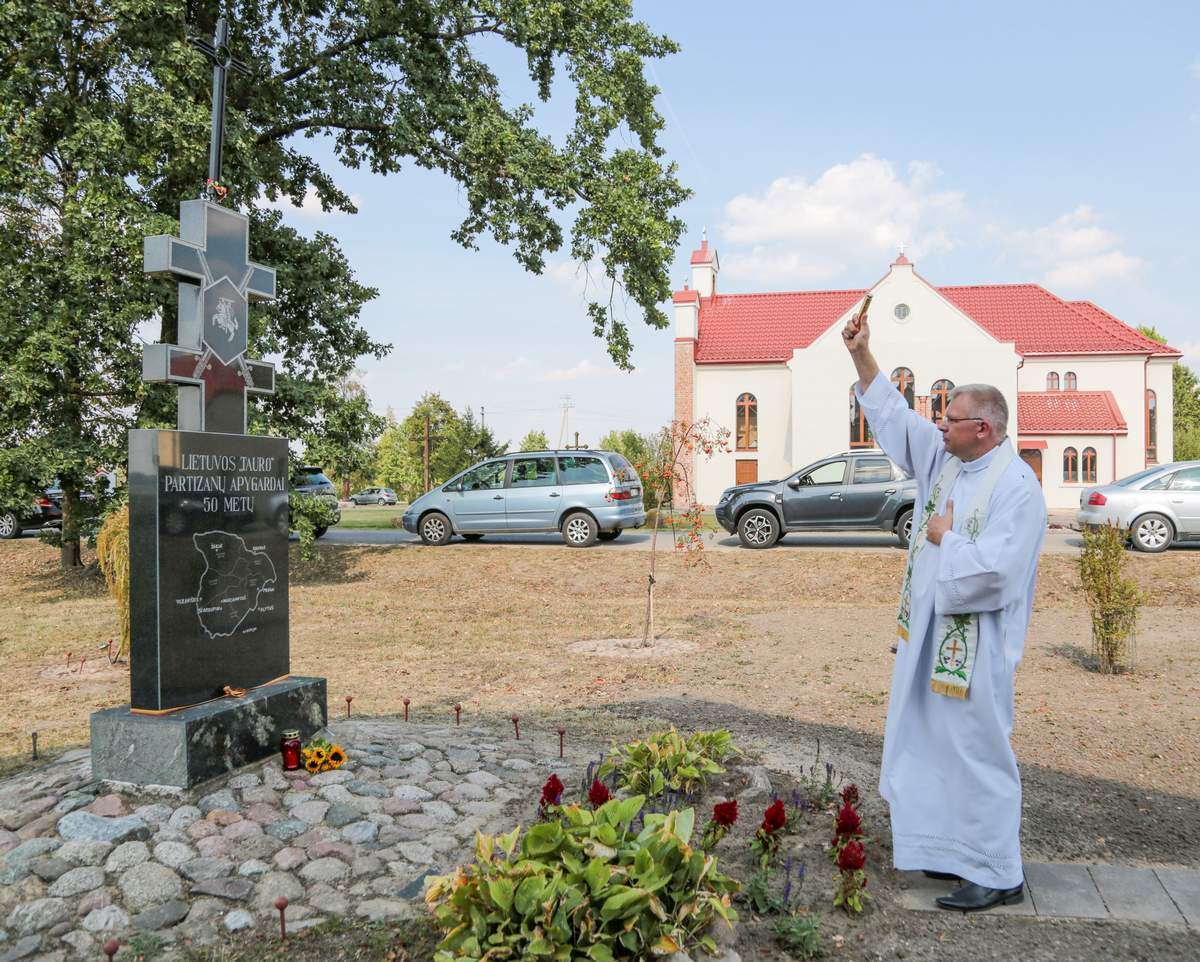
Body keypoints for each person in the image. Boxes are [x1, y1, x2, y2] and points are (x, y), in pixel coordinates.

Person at [842, 302, 1047, 912]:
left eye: (950, 418)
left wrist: (943, 540)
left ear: (982, 428)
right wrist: (860, 352)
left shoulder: (1017, 488)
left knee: (977, 748)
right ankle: (946, 853)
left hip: (976, 649)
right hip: (929, 639)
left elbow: (998, 572)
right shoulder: (946, 460)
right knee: (930, 742)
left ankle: (997, 870)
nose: (938, 425)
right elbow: (896, 417)